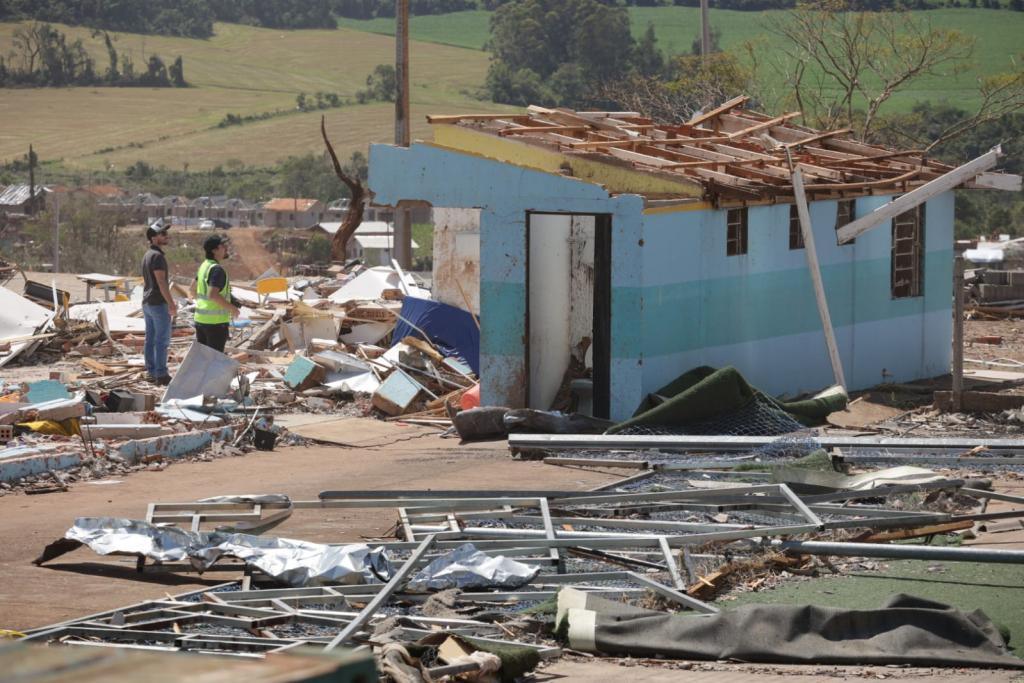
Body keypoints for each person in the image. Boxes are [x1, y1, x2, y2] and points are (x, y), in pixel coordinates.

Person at [141, 219, 176, 385]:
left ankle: (151, 371)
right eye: (162, 233)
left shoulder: (148, 255)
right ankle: (161, 374)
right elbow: (161, 282)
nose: (166, 236)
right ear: (154, 238)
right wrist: (171, 303)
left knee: (151, 339)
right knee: (161, 340)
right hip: (157, 303)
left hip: (147, 302)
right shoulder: (157, 257)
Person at [194, 234, 241, 353]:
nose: (226, 248)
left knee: (204, 359)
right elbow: (212, 295)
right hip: (215, 323)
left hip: (201, 320)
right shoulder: (216, 270)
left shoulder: (204, 266)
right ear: (214, 250)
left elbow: (192, 289)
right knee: (214, 360)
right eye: (222, 246)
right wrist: (232, 309)